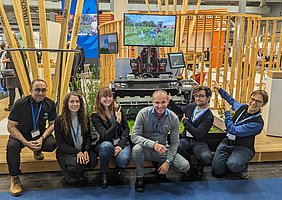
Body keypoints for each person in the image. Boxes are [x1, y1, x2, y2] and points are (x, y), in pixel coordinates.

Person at [6, 79, 57, 196]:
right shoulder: (20, 103)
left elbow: (53, 124)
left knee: (52, 144)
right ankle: (15, 178)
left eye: (43, 90)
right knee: (12, 146)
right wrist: (25, 142)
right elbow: (11, 126)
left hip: (39, 134)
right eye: (37, 90)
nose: (40, 93)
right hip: (21, 134)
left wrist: (42, 138)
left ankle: (37, 149)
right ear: (30, 90)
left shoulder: (50, 104)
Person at [131, 90, 190, 192]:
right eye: (157, 102)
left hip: (163, 150)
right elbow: (135, 136)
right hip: (146, 149)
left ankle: (162, 168)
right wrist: (153, 145)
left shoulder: (173, 118)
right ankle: (140, 177)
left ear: (167, 102)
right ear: (152, 102)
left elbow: (174, 142)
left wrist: (168, 161)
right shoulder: (143, 114)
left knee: (185, 166)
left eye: (163, 102)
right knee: (136, 149)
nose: (160, 106)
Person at [212, 81, 268, 179]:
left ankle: (243, 167)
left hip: (243, 147)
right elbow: (231, 100)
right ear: (249, 98)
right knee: (217, 171)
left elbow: (233, 130)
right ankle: (230, 160)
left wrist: (227, 113)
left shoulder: (257, 123)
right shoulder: (242, 107)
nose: (254, 103)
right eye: (253, 99)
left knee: (233, 165)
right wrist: (219, 89)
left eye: (259, 102)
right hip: (227, 143)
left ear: (263, 104)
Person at [168, 86, 214, 176]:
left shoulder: (209, 117)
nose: (198, 98)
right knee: (176, 146)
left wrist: (185, 122)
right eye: (196, 96)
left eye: (201, 96)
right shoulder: (191, 106)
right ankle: (189, 168)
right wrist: (171, 102)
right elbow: (181, 111)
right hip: (186, 140)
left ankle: (200, 167)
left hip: (199, 142)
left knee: (207, 157)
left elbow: (198, 134)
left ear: (208, 98)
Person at [91, 87, 131, 188]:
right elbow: (104, 136)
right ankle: (104, 173)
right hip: (106, 142)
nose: (108, 99)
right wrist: (117, 122)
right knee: (106, 147)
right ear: (99, 98)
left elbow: (126, 129)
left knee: (123, 158)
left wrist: (120, 145)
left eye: (110, 96)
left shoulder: (118, 109)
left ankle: (119, 170)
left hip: (121, 142)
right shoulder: (95, 115)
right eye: (105, 97)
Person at [55, 91, 97, 183]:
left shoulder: (84, 118)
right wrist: (77, 152)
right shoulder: (59, 121)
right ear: (67, 104)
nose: (75, 104)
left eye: (77, 101)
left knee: (93, 161)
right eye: (72, 102)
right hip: (66, 152)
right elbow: (60, 144)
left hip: (81, 150)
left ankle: (79, 172)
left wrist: (85, 151)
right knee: (78, 164)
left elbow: (88, 137)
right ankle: (68, 172)